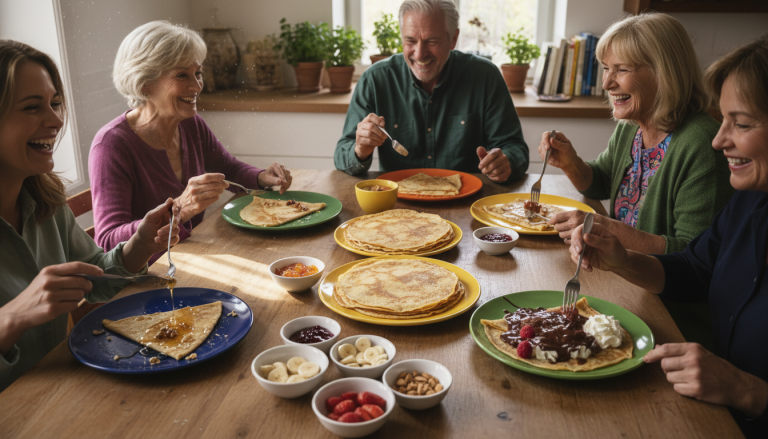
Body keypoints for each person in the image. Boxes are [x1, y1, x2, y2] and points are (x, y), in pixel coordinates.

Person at [568, 36, 768, 438]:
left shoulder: (703, 151)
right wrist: (624, 259)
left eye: (741, 124)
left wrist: (747, 390)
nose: (718, 139)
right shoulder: (750, 201)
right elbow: (695, 269)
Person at [538, 13, 734, 346]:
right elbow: (600, 181)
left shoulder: (702, 143)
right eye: (605, 68)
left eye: (622, 69)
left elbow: (692, 256)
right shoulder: (632, 127)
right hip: (626, 286)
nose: (606, 83)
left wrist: (605, 227)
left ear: (664, 72)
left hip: (673, 318)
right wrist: (570, 162)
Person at [0, 40, 180, 391]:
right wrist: (12, 317)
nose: (55, 120)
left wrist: (137, 247)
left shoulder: (46, 202)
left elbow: (96, 277)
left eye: (54, 104)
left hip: (60, 393)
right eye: (32, 107)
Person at [89, 21, 292, 256]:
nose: (196, 86)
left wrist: (262, 178)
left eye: (198, 73)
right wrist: (178, 210)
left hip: (189, 256)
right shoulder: (111, 146)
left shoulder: (190, 124)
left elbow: (229, 169)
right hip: (145, 275)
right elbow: (108, 242)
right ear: (145, 85)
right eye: (182, 75)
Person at [334, 0, 528, 183]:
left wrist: (506, 162)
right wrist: (360, 150)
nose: (419, 54)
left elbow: (515, 148)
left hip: (466, 203)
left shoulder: (485, 77)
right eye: (410, 41)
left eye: (431, 41)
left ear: (453, 39)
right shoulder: (375, 80)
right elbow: (342, 155)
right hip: (395, 208)